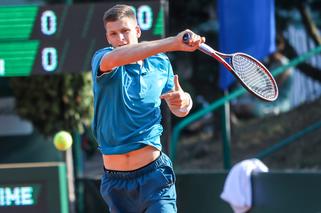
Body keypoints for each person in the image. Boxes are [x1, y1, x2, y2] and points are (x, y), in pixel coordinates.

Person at [91, 4, 205, 213]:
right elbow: (120, 55)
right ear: (108, 38)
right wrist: (173, 42)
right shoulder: (103, 59)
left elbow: (181, 109)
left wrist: (183, 101)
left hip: (155, 178)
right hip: (116, 186)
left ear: (137, 31)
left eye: (125, 31)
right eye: (113, 34)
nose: (120, 39)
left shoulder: (161, 64)